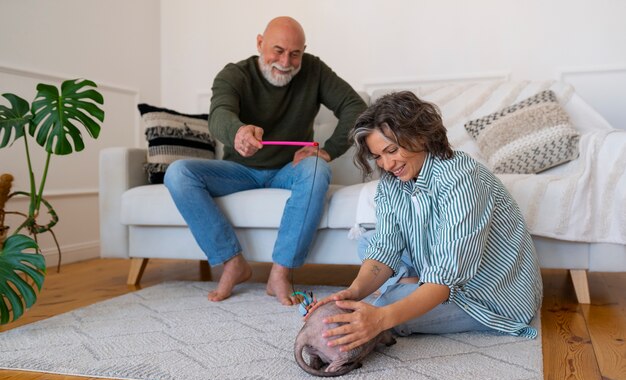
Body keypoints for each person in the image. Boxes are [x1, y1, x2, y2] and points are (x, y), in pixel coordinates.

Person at [310, 91, 543, 352]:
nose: (386, 164)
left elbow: (445, 279)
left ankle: (411, 291)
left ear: (419, 135)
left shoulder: (461, 179)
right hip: (439, 272)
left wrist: (380, 318)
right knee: (368, 244)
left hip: (489, 296)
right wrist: (352, 293)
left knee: (386, 306)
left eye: (392, 150)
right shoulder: (392, 183)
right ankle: (415, 287)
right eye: (377, 156)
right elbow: (385, 248)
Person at [164, 16, 367, 305]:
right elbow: (219, 115)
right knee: (178, 174)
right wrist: (237, 132)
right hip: (238, 170)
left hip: (289, 169)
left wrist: (329, 149)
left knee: (317, 169)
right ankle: (232, 263)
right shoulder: (234, 74)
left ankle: (280, 274)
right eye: (278, 50)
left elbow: (355, 108)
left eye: (295, 53)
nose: (286, 61)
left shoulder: (315, 70)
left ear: (304, 51)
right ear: (260, 43)